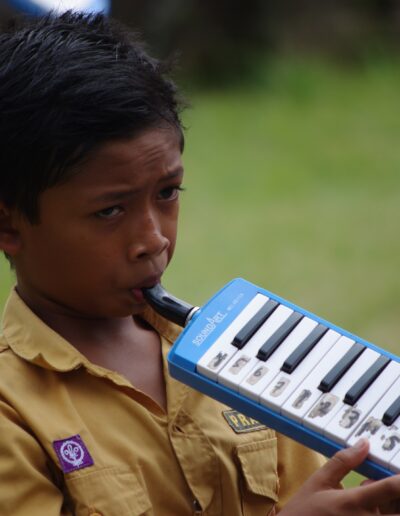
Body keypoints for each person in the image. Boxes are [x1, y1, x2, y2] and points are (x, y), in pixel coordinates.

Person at [0, 11, 399, 516]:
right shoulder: (12, 413)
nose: (153, 239)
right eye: (109, 210)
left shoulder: (253, 357)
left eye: (167, 193)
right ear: (9, 226)